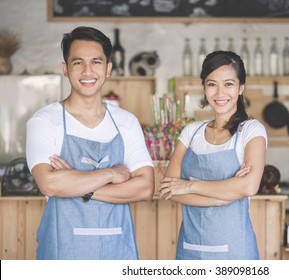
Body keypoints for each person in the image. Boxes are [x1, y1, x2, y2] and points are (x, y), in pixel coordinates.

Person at [26, 26, 154, 260]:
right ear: (65, 69)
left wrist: (78, 184)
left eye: (96, 62)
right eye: (78, 62)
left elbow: (145, 187)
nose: (87, 71)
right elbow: (51, 184)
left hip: (118, 253)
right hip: (62, 253)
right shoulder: (45, 121)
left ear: (108, 68)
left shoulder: (126, 122)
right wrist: (111, 173)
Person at [158, 50, 267, 260]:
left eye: (228, 84)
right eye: (212, 84)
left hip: (235, 253)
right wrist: (223, 196)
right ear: (204, 87)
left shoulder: (251, 131)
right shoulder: (191, 132)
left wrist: (189, 185)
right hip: (190, 250)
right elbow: (169, 190)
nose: (220, 93)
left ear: (241, 87)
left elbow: (248, 186)